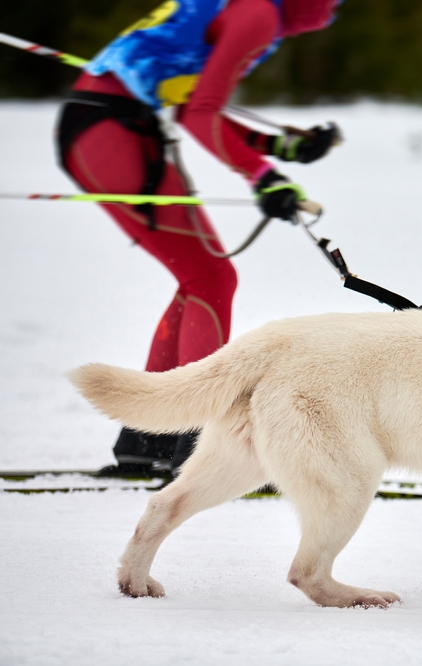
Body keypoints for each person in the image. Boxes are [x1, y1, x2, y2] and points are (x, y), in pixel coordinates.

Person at [56, 0, 342, 476]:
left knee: (202, 279)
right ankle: (190, 440)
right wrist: (263, 176)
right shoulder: (259, 13)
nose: (334, 7)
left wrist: (277, 148)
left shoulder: (253, 12)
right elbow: (201, 112)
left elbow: (194, 107)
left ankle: (150, 437)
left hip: (110, 126)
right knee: (210, 278)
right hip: (110, 130)